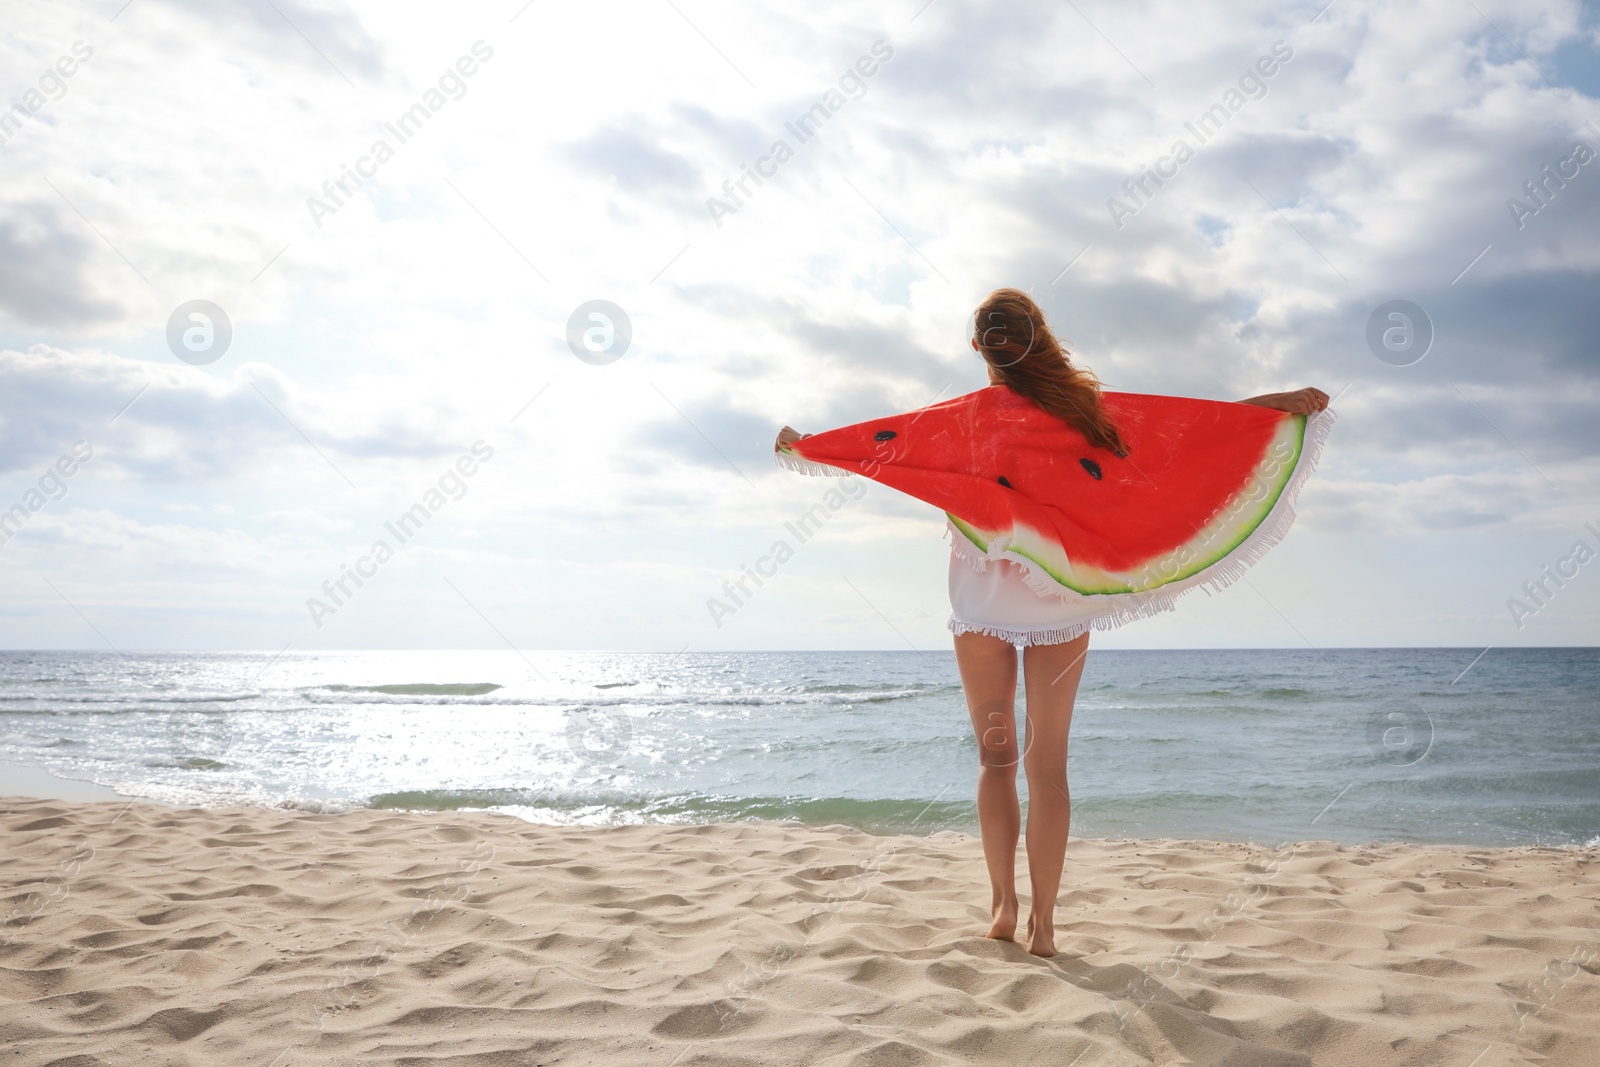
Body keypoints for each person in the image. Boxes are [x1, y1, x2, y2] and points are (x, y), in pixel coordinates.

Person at [776, 288, 1328, 957]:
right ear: (1040, 339)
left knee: (995, 758)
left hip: (981, 603)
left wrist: (808, 446)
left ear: (979, 349)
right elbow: (1181, 432)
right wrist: (1270, 408)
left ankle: (1003, 906)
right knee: (1049, 767)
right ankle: (1045, 925)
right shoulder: (1083, 411)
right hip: (1062, 598)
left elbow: (882, 443)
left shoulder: (960, 420)